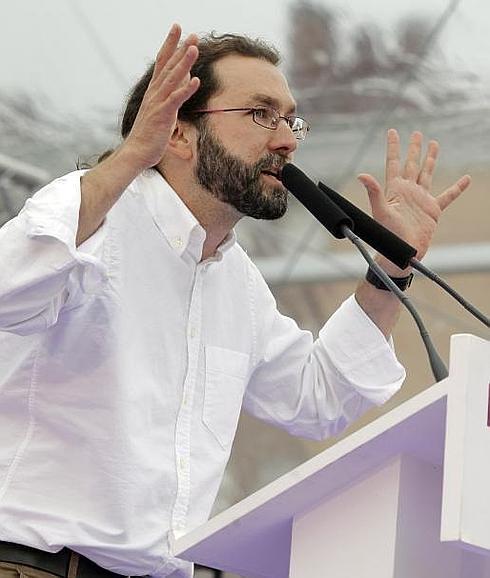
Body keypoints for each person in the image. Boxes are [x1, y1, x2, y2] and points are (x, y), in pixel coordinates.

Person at [0, 24, 470, 578]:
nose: (287, 140)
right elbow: (10, 290)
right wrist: (130, 157)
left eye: (290, 119)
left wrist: (389, 269)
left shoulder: (235, 279)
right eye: (260, 114)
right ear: (177, 133)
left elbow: (316, 399)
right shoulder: (89, 219)